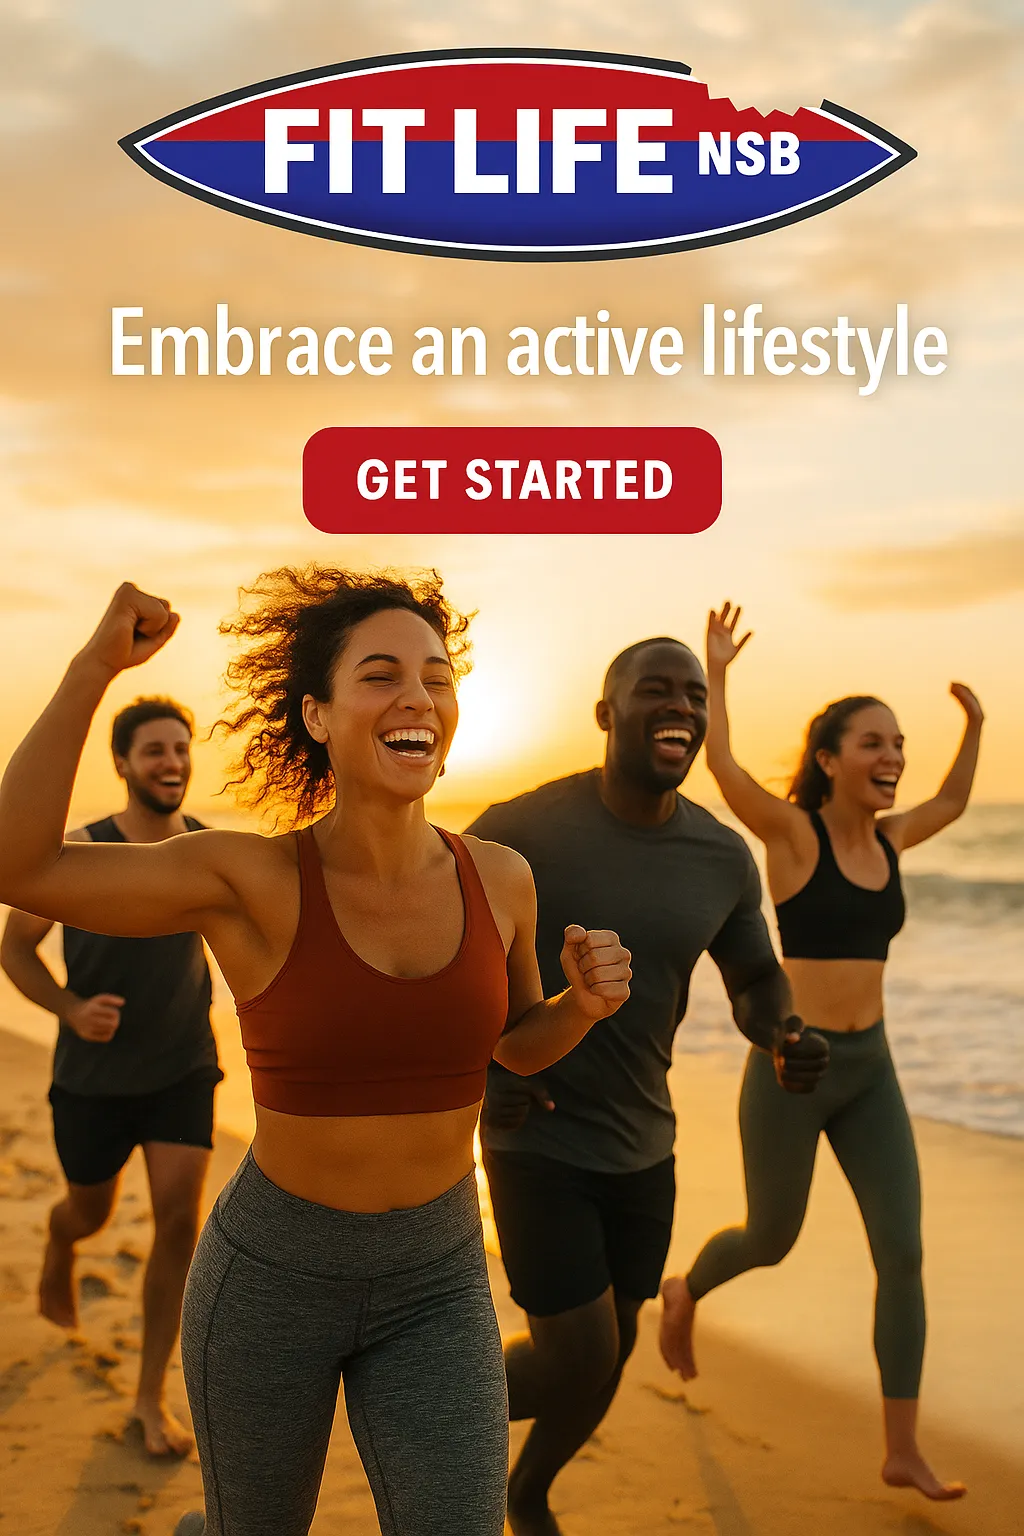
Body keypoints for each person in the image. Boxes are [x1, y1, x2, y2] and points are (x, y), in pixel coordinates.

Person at [0, 569, 632, 1536]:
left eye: (436, 675)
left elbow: (513, 1046)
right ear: (319, 715)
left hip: (440, 1274)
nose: (417, 696)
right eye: (380, 676)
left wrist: (580, 1011)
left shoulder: (502, 878)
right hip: (272, 1276)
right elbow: (20, 868)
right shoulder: (249, 878)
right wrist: (94, 668)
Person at [469, 634, 829, 1536]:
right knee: (574, 1356)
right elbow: (439, 961)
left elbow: (753, 977)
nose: (683, 708)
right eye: (656, 691)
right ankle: (405, 1401)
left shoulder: (718, 856)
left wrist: (782, 1032)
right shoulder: (518, 829)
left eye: (696, 696)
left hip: (644, 1145)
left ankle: (526, 1494)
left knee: (614, 1350)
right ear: (606, 712)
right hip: (534, 1136)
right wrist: (485, 1071)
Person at [660, 602, 984, 1503]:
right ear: (831, 758)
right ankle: (687, 1287)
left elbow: (954, 800)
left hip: (872, 1069)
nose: (893, 759)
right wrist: (718, 672)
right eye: (873, 743)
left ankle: (902, 1449)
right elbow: (722, 770)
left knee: (905, 1256)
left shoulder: (893, 836)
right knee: (770, 1237)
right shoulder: (795, 835)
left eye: (900, 744)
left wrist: (978, 725)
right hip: (794, 1068)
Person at [1, 695, 220, 1457]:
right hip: (92, 1081)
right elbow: (16, 947)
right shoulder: (81, 850)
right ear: (122, 764)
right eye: (155, 751)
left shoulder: (205, 847)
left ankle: (149, 1396)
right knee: (87, 1212)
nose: (172, 762)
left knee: (178, 1222)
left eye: (181, 748)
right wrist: (68, 1008)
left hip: (183, 1071)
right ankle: (62, 1244)